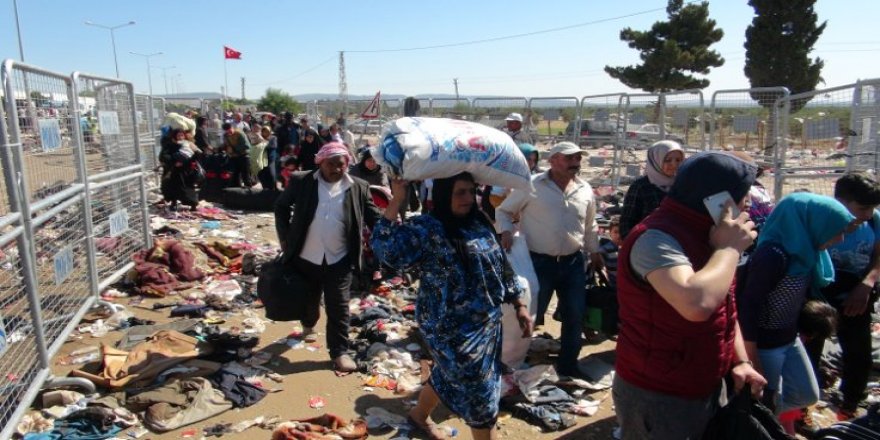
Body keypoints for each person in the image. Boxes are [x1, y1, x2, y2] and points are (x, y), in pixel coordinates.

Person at [612, 151, 767, 439]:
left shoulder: (709, 233)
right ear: (718, 200)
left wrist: (741, 362)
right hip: (660, 393)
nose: (748, 203)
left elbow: (723, 304)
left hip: (704, 381)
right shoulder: (656, 238)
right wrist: (729, 250)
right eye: (744, 195)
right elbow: (696, 304)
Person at [371, 173, 532, 440]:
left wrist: (518, 304)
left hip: (486, 324)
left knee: (449, 374)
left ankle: (417, 416)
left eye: (472, 191)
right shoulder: (427, 228)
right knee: (481, 395)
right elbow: (385, 250)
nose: (469, 198)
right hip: (447, 327)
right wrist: (398, 199)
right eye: (460, 192)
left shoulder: (479, 222)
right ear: (444, 195)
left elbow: (500, 265)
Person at [737, 193, 854, 434]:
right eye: (835, 230)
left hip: (789, 339)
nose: (840, 238)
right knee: (767, 401)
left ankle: (767, 418)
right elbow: (748, 305)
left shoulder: (806, 252)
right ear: (812, 223)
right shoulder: (773, 255)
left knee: (806, 393)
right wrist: (750, 355)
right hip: (765, 343)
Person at [495, 141, 602, 378]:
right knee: (531, 314)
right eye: (569, 158)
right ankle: (513, 364)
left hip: (573, 262)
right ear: (553, 160)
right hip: (538, 263)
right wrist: (505, 231)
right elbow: (503, 211)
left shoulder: (584, 189)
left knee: (574, 314)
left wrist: (595, 252)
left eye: (577, 158)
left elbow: (590, 224)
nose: (575, 163)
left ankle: (568, 365)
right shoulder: (531, 185)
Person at [274, 142, 381, 373]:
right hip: (305, 256)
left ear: (348, 164)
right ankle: (308, 324)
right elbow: (281, 207)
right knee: (309, 301)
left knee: (339, 307)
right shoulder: (302, 181)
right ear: (320, 162)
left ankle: (339, 352)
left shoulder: (359, 187)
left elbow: (376, 219)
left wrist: (392, 225)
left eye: (341, 164)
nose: (336, 169)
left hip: (339, 259)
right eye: (331, 164)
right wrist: (284, 238)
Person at [806, 172, 880, 421]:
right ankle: (804, 404)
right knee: (811, 348)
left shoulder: (874, 222)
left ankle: (850, 405)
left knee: (858, 351)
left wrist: (866, 285)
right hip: (820, 294)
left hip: (856, 293)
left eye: (872, 208)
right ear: (840, 201)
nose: (868, 214)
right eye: (863, 208)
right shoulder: (820, 219)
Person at [619, 140, 685, 239]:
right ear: (656, 160)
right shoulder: (641, 186)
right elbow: (626, 224)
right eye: (668, 160)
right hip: (648, 245)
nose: (674, 164)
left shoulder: (683, 184)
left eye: (678, 160)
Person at [159, 128, 202, 210]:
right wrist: (174, 162)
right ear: (174, 136)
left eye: (182, 135)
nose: (180, 137)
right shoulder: (170, 145)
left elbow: (197, 154)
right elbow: (163, 156)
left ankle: (193, 204)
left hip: (186, 170)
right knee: (172, 187)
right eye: (178, 135)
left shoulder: (189, 144)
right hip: (174, 170)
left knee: (188, 187)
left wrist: (186, 161)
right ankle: (173, 203)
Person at [221, 122, 253, 187]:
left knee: (245, 175)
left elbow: (246, 146)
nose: (228, 132)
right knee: (235, 175)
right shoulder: (226, 135)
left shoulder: (239, 133)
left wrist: (234, 150)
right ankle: (236, 191)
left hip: (243, 156)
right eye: (226, 131)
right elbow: (227, 144)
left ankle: (249, 191)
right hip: (234, 157)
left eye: (229, 130)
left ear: (232, 127)